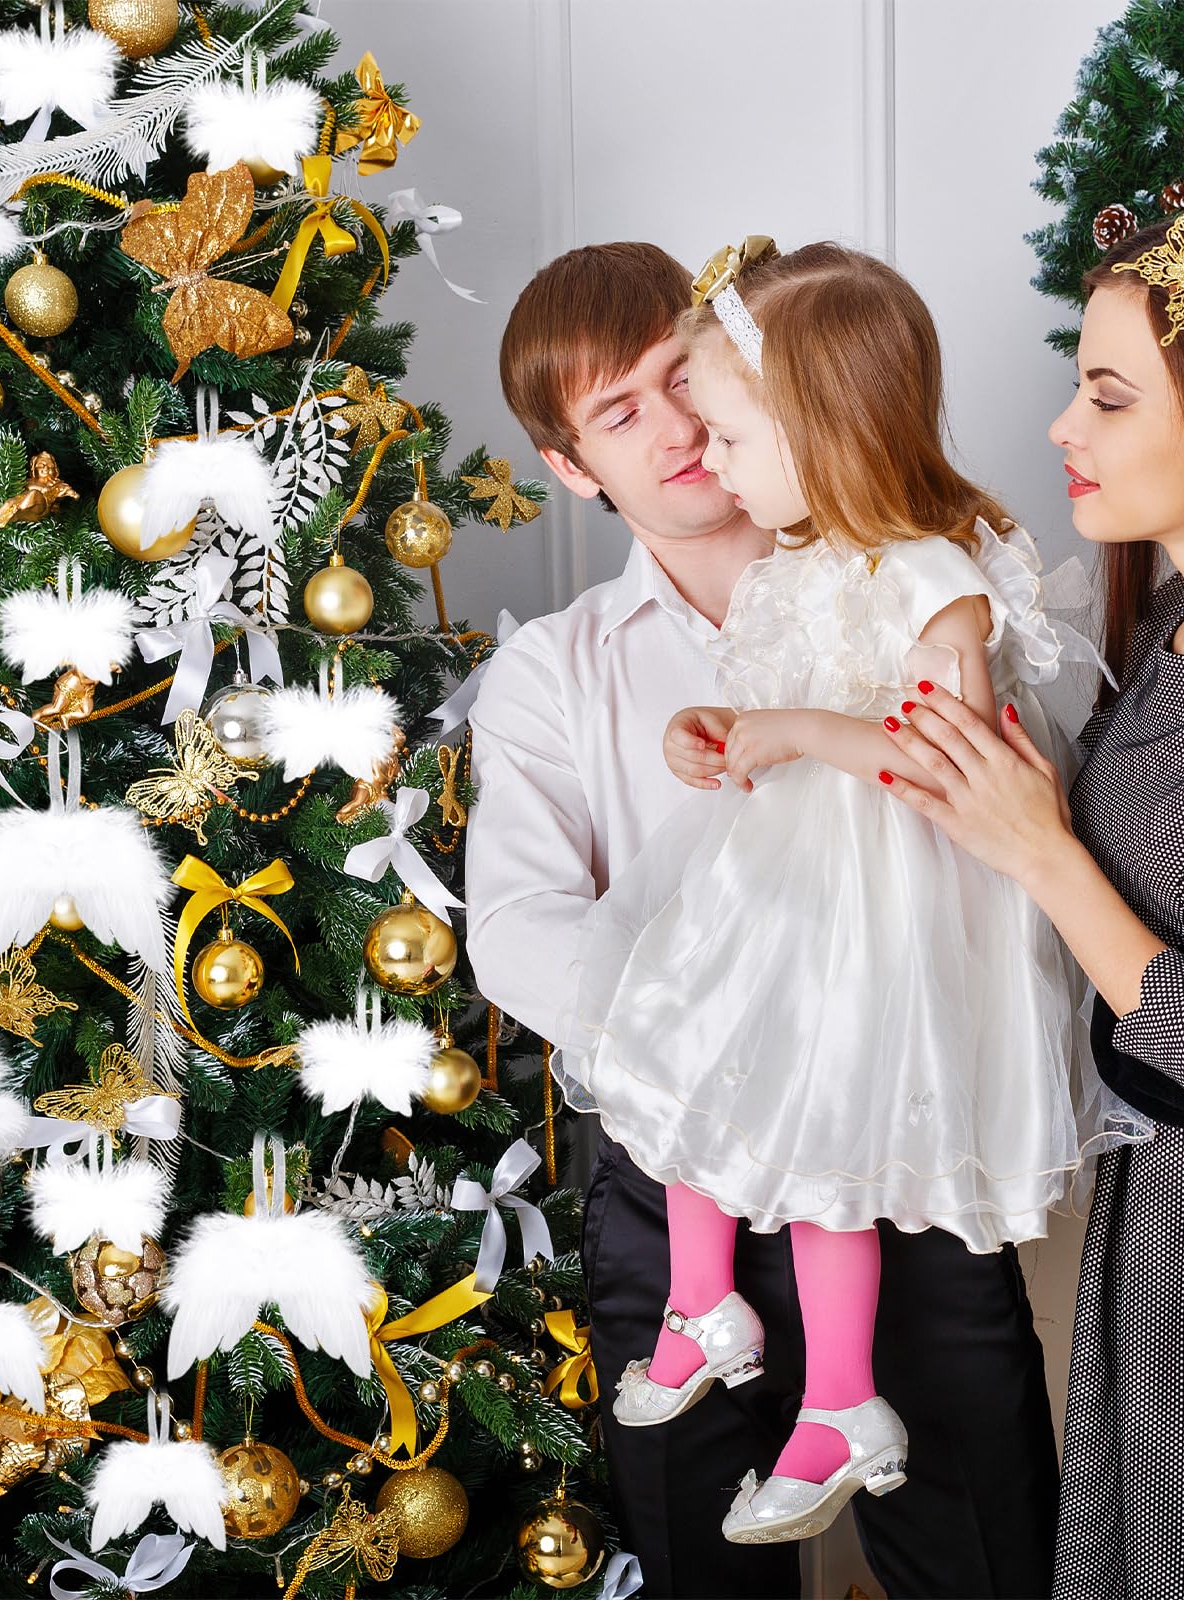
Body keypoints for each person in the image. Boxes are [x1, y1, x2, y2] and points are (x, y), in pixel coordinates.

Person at [468, 240, 1061, 1599]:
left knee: (978, 1554)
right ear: (572, 467)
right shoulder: (556, 674)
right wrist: (723, 1054)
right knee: (699, 1565)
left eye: (686, 381)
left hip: (899, 1168)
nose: (677, 429)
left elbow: (1012, 829)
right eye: (620, 414)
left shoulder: (926, 581)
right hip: (676, 1171)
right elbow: (515, 924)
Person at [879, 202, 1184, 1598]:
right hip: (1163, 1223)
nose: (1065, 427)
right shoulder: (1161, 639)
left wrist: (1042, 852)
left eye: (1106, 393)